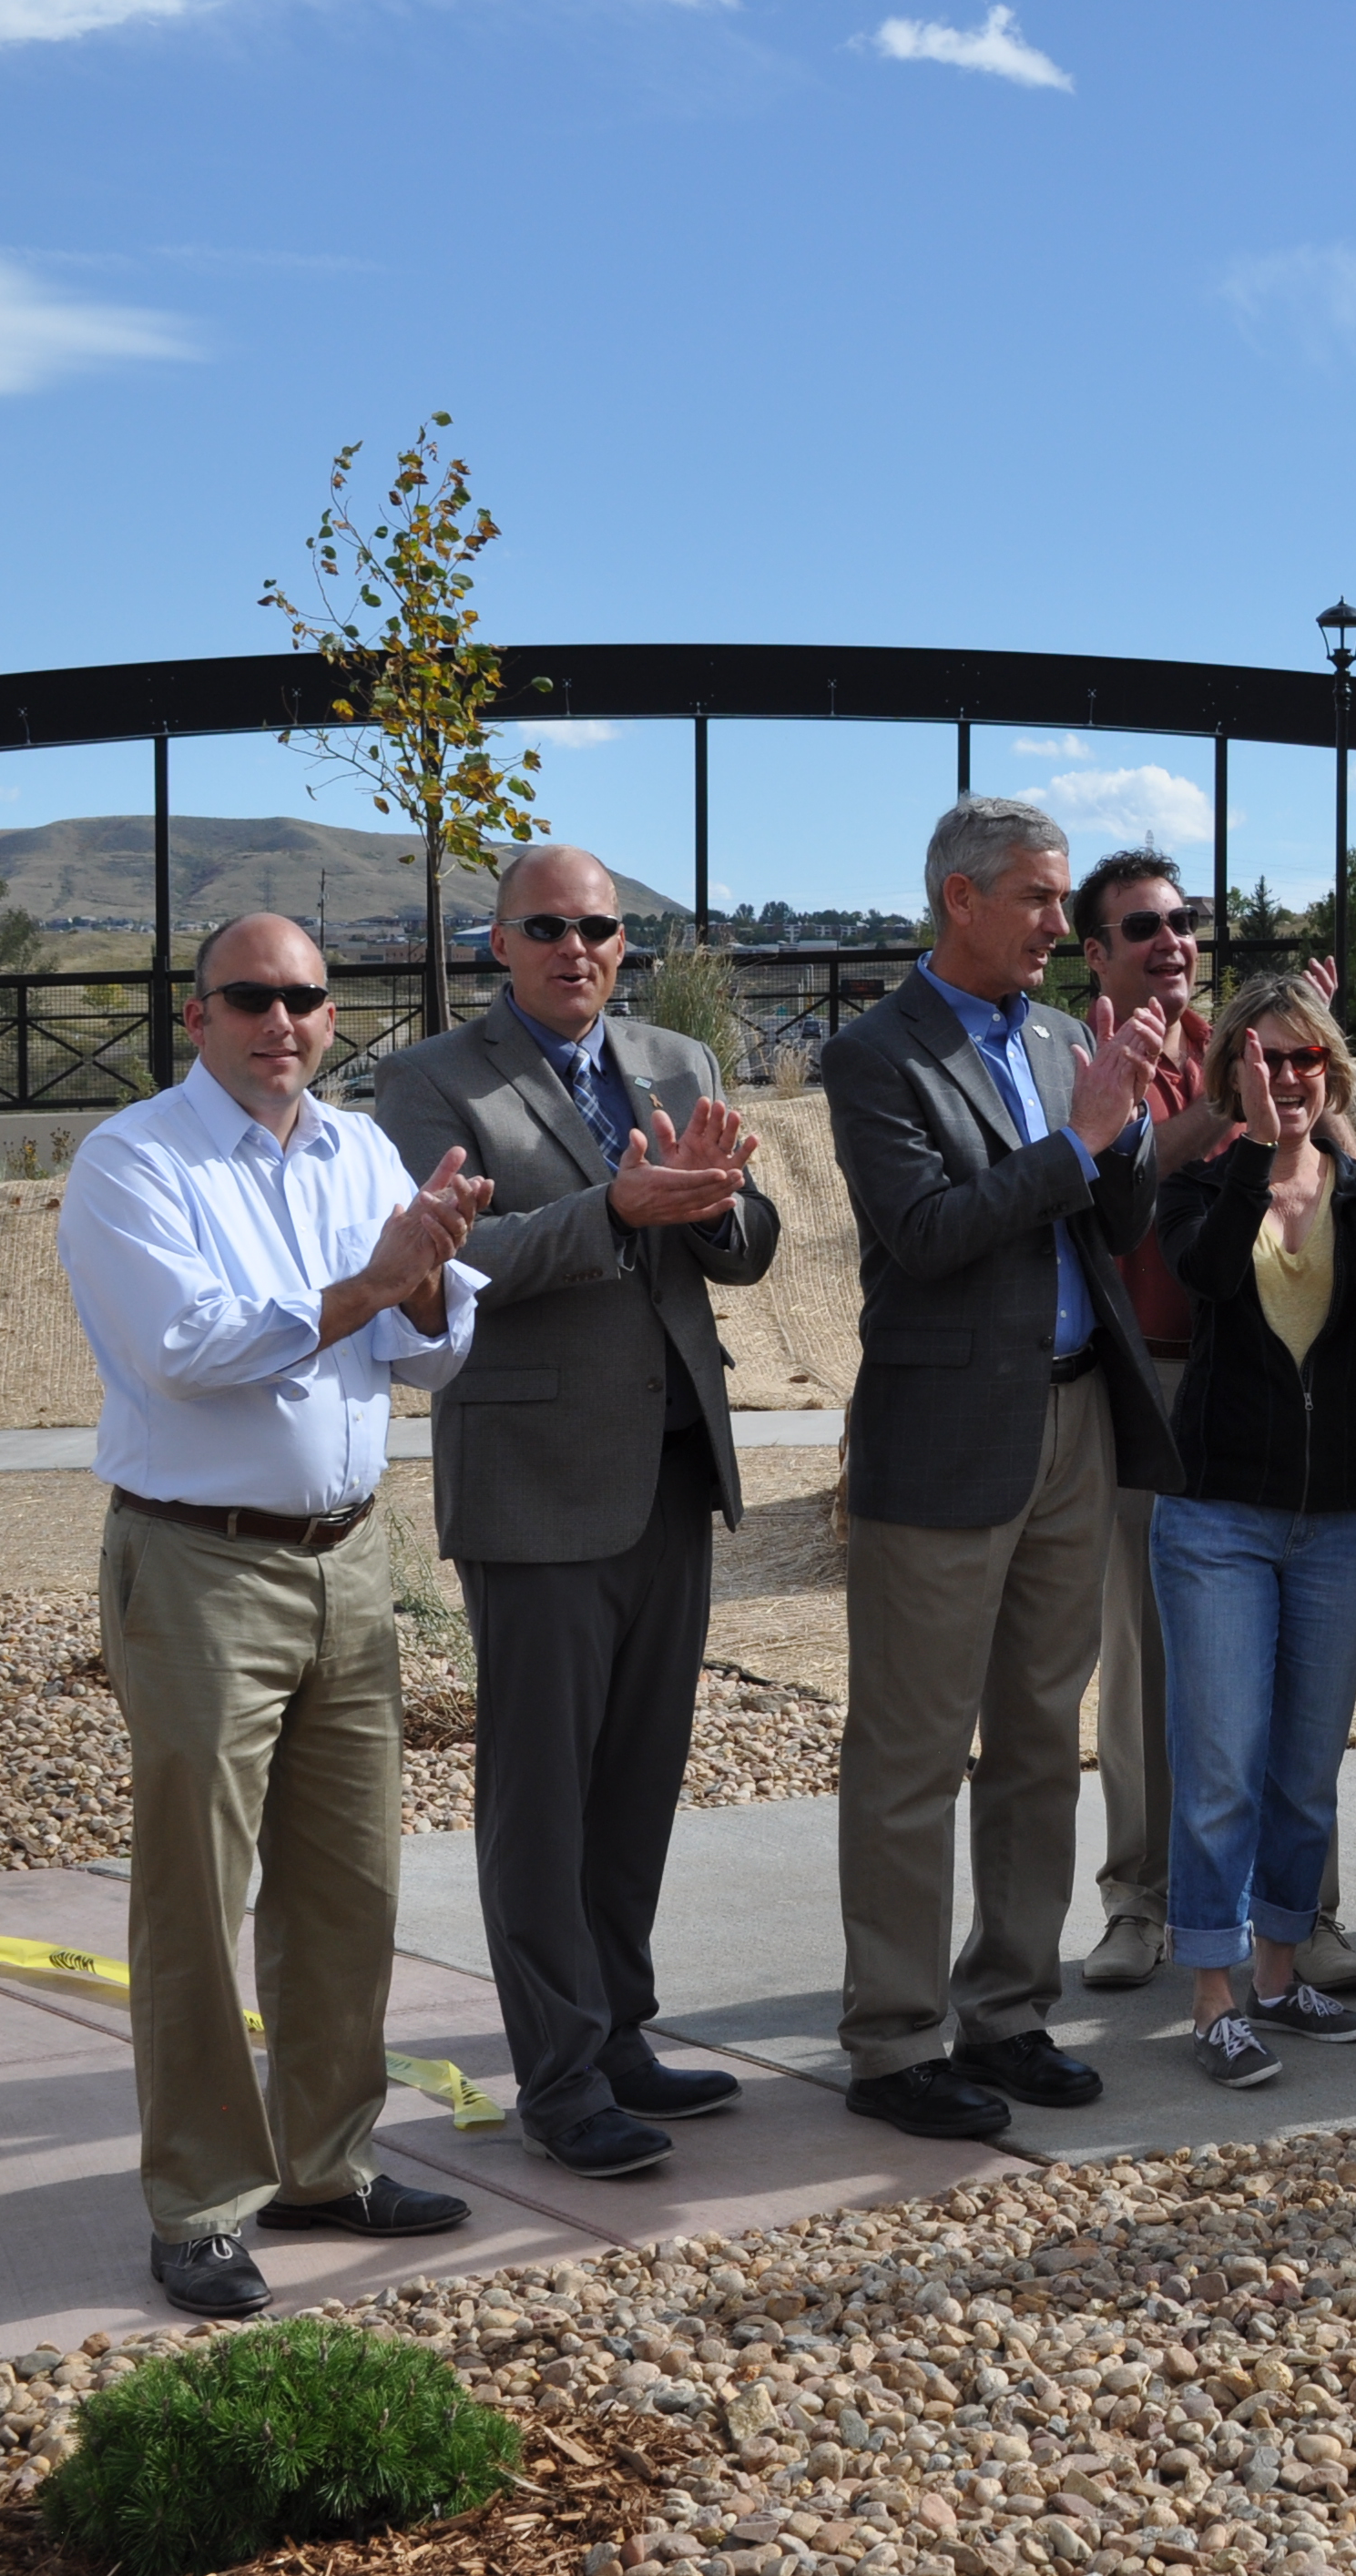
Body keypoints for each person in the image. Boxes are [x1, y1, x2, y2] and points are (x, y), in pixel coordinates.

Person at [56, 911, 492, 2320]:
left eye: (307, 998)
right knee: (197, 1895)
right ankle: (198, 2203)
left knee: (347, 1884)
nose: (284, 1022)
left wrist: (423, 1274)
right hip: (200, 1567)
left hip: (352, 1560)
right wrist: (372, 1280)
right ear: (197, 1017)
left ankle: (327, 2161)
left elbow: (429, 1353)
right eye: (251, 997)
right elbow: (185, 1354)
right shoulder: (136, 1161)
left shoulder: (359, 1150)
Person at [374, 845, 782, 2181]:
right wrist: (610, 1206)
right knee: (540, 1802)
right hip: (536, 1483)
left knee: (637, 1786)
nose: (578, 947)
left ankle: (619, 2037)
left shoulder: (675, 1064)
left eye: (601, 927)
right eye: (547, 926)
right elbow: (442, 1258)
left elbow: (750, 1238)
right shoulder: (433, 1080)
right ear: (499, 941)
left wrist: (719, 1206)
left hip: (671, 1467)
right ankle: (554, 2078)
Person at [824, 795, 1182, 2136]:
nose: (1059, 923)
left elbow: (1116, 1218)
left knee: (1040, 1741)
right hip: (946, 1438)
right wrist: (1080, 1138)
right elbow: (924, 1234)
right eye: (1037, 899)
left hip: (1076, 1419)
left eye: (1062, 897)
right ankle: (896, 2039)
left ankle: (1010, 2008)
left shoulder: (1054, 1039)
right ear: (959, 900)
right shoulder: (877, 1058)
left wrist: (1129, 1125)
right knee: (913, 1751)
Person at [1070, 851, 1356, 2001]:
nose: (1170, 940)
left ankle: (1305, 1917)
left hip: (1282, 1386)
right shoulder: (1089, 1056)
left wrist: (1306, 1079)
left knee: (1302, 1679)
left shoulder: (1243, 1037)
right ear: (1092, 950)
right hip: (1152, 1380)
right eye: (1140, 924)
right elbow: (1112, 1187)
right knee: (1150, 1660)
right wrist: (1231, 1108)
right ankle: (1138, 1905)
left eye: (1182, 920)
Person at [1149, 976, 1356, 2088]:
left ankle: (1279, 1972)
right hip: (1218, 1515)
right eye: (1265, 1059)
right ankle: (1213, 1993)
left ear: (1330, 1068)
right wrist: (1257, 1161)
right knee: (1220, 1761)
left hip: (1346, 1521)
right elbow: (1208, 1278)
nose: (1287, 1076)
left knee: (1306, 1767)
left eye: (1306, 1059)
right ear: (1232, 1071)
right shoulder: (1197, 1182)